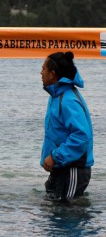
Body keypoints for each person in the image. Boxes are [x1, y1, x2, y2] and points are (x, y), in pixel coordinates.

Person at [40, 51, 94, 201]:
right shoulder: (56, 97)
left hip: (73, 169)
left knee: (68, 216)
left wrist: (55, 156)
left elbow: (81, 136)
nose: (40, 72)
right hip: (62, 167)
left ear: (52, 74)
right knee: (50, 210)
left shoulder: (68, 100)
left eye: (43, 68)